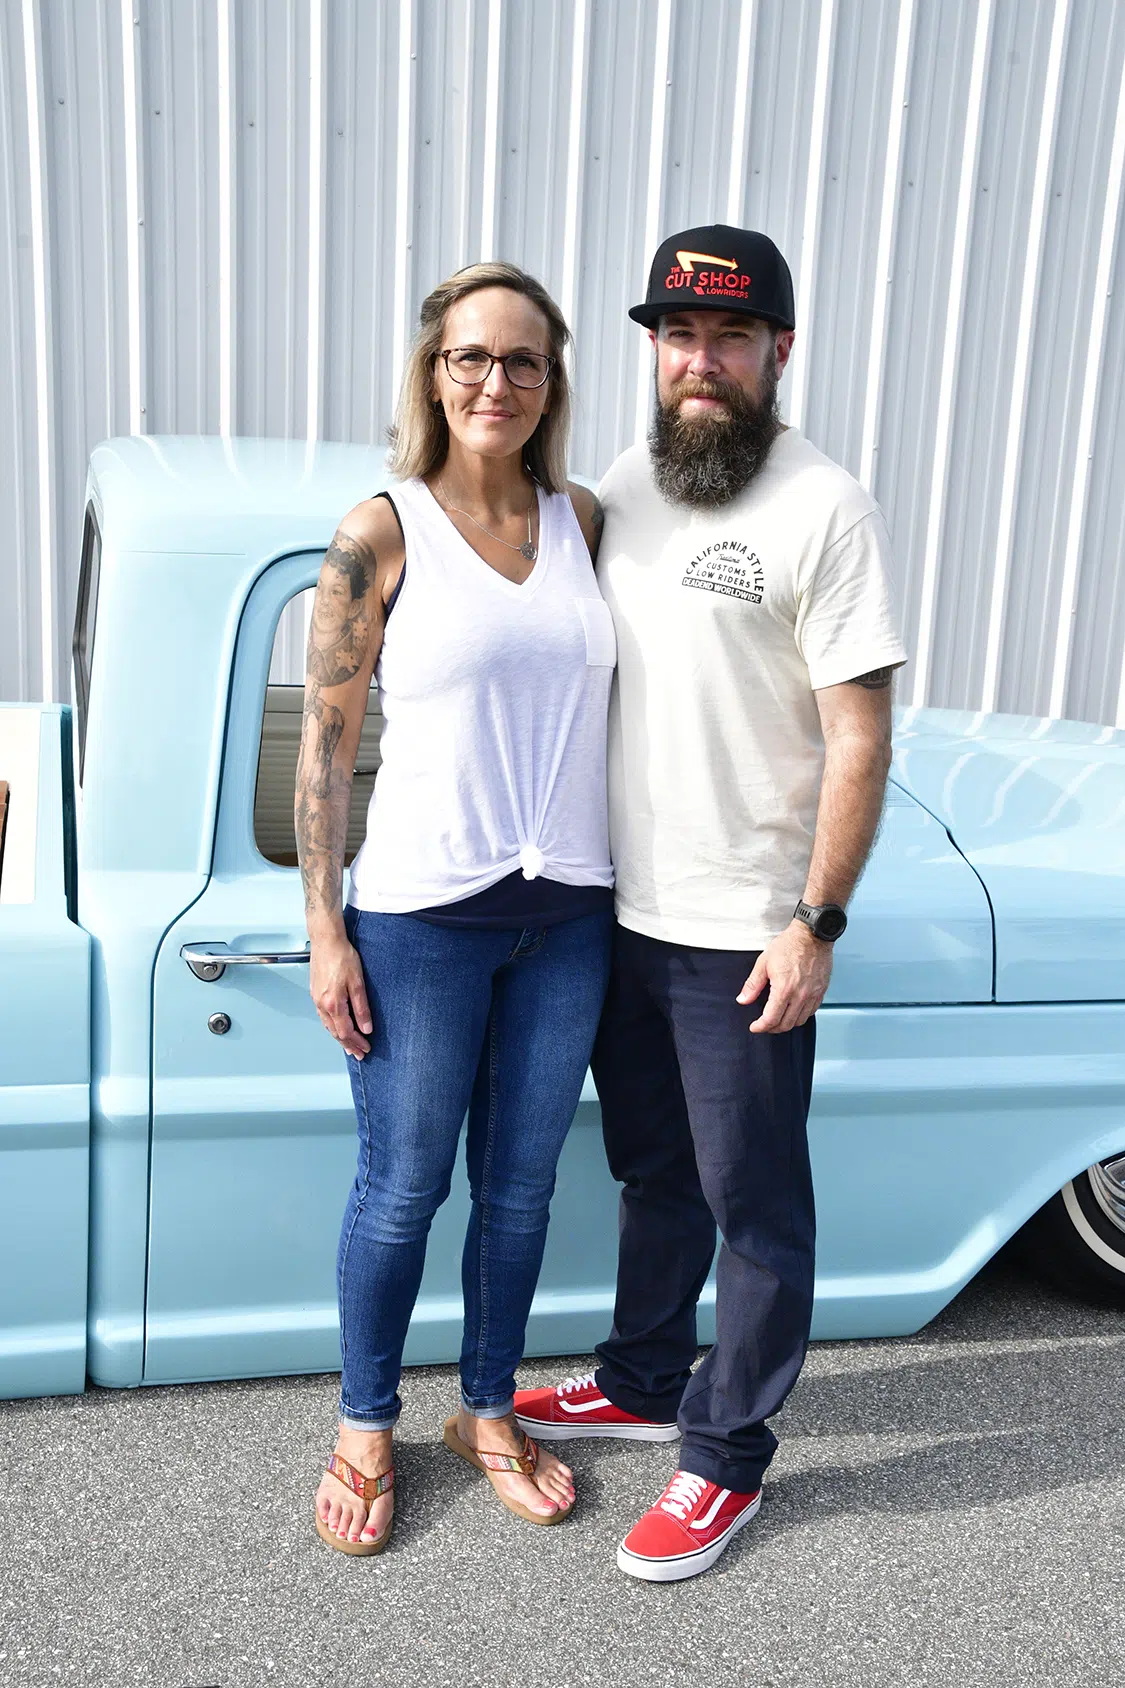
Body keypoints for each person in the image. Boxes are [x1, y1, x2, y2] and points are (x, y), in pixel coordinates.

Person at [514, 224, 907, 1581]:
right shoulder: (630, 480)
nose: (698, 361)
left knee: (755, 1204)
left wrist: (817, 922)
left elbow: (859, 736)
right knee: (653, 1174)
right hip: (622, 916)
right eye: (677, 336)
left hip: (746, 933)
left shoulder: (823, 506)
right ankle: (639, 1377)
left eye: (727, 339)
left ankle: (725, 1459)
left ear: (777, 353)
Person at [297, 261, 615, 1555]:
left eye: (523, 360)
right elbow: (320, 748)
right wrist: (326, 929)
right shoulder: (380, 532)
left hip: (570, 919)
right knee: (403, 1186)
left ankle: (485, 1412)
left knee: (524, 1190)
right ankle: (365, 1424)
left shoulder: (587, 519)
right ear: (435, 371)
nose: (497, 381)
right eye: (471, 356)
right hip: (423, 920)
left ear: (552, 382)